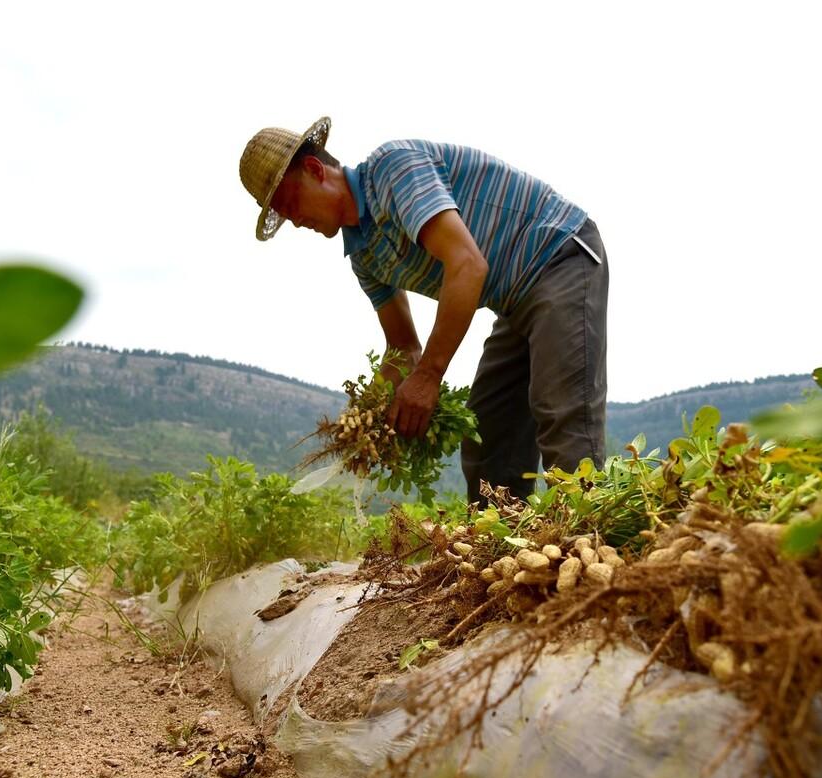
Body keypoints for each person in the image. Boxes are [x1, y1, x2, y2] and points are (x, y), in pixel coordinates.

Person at [239, 116, 608, 504]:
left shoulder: (392, 169)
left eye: (291, 205)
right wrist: (371, 415)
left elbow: (468, 264)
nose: (296, 223)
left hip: (559, 256)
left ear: (315, 170)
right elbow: (402, 348)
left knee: (562, 415)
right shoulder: (363, 256)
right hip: (514, 301)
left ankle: (590, 540)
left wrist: (429, 376)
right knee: (488, 432)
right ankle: (508, 551)